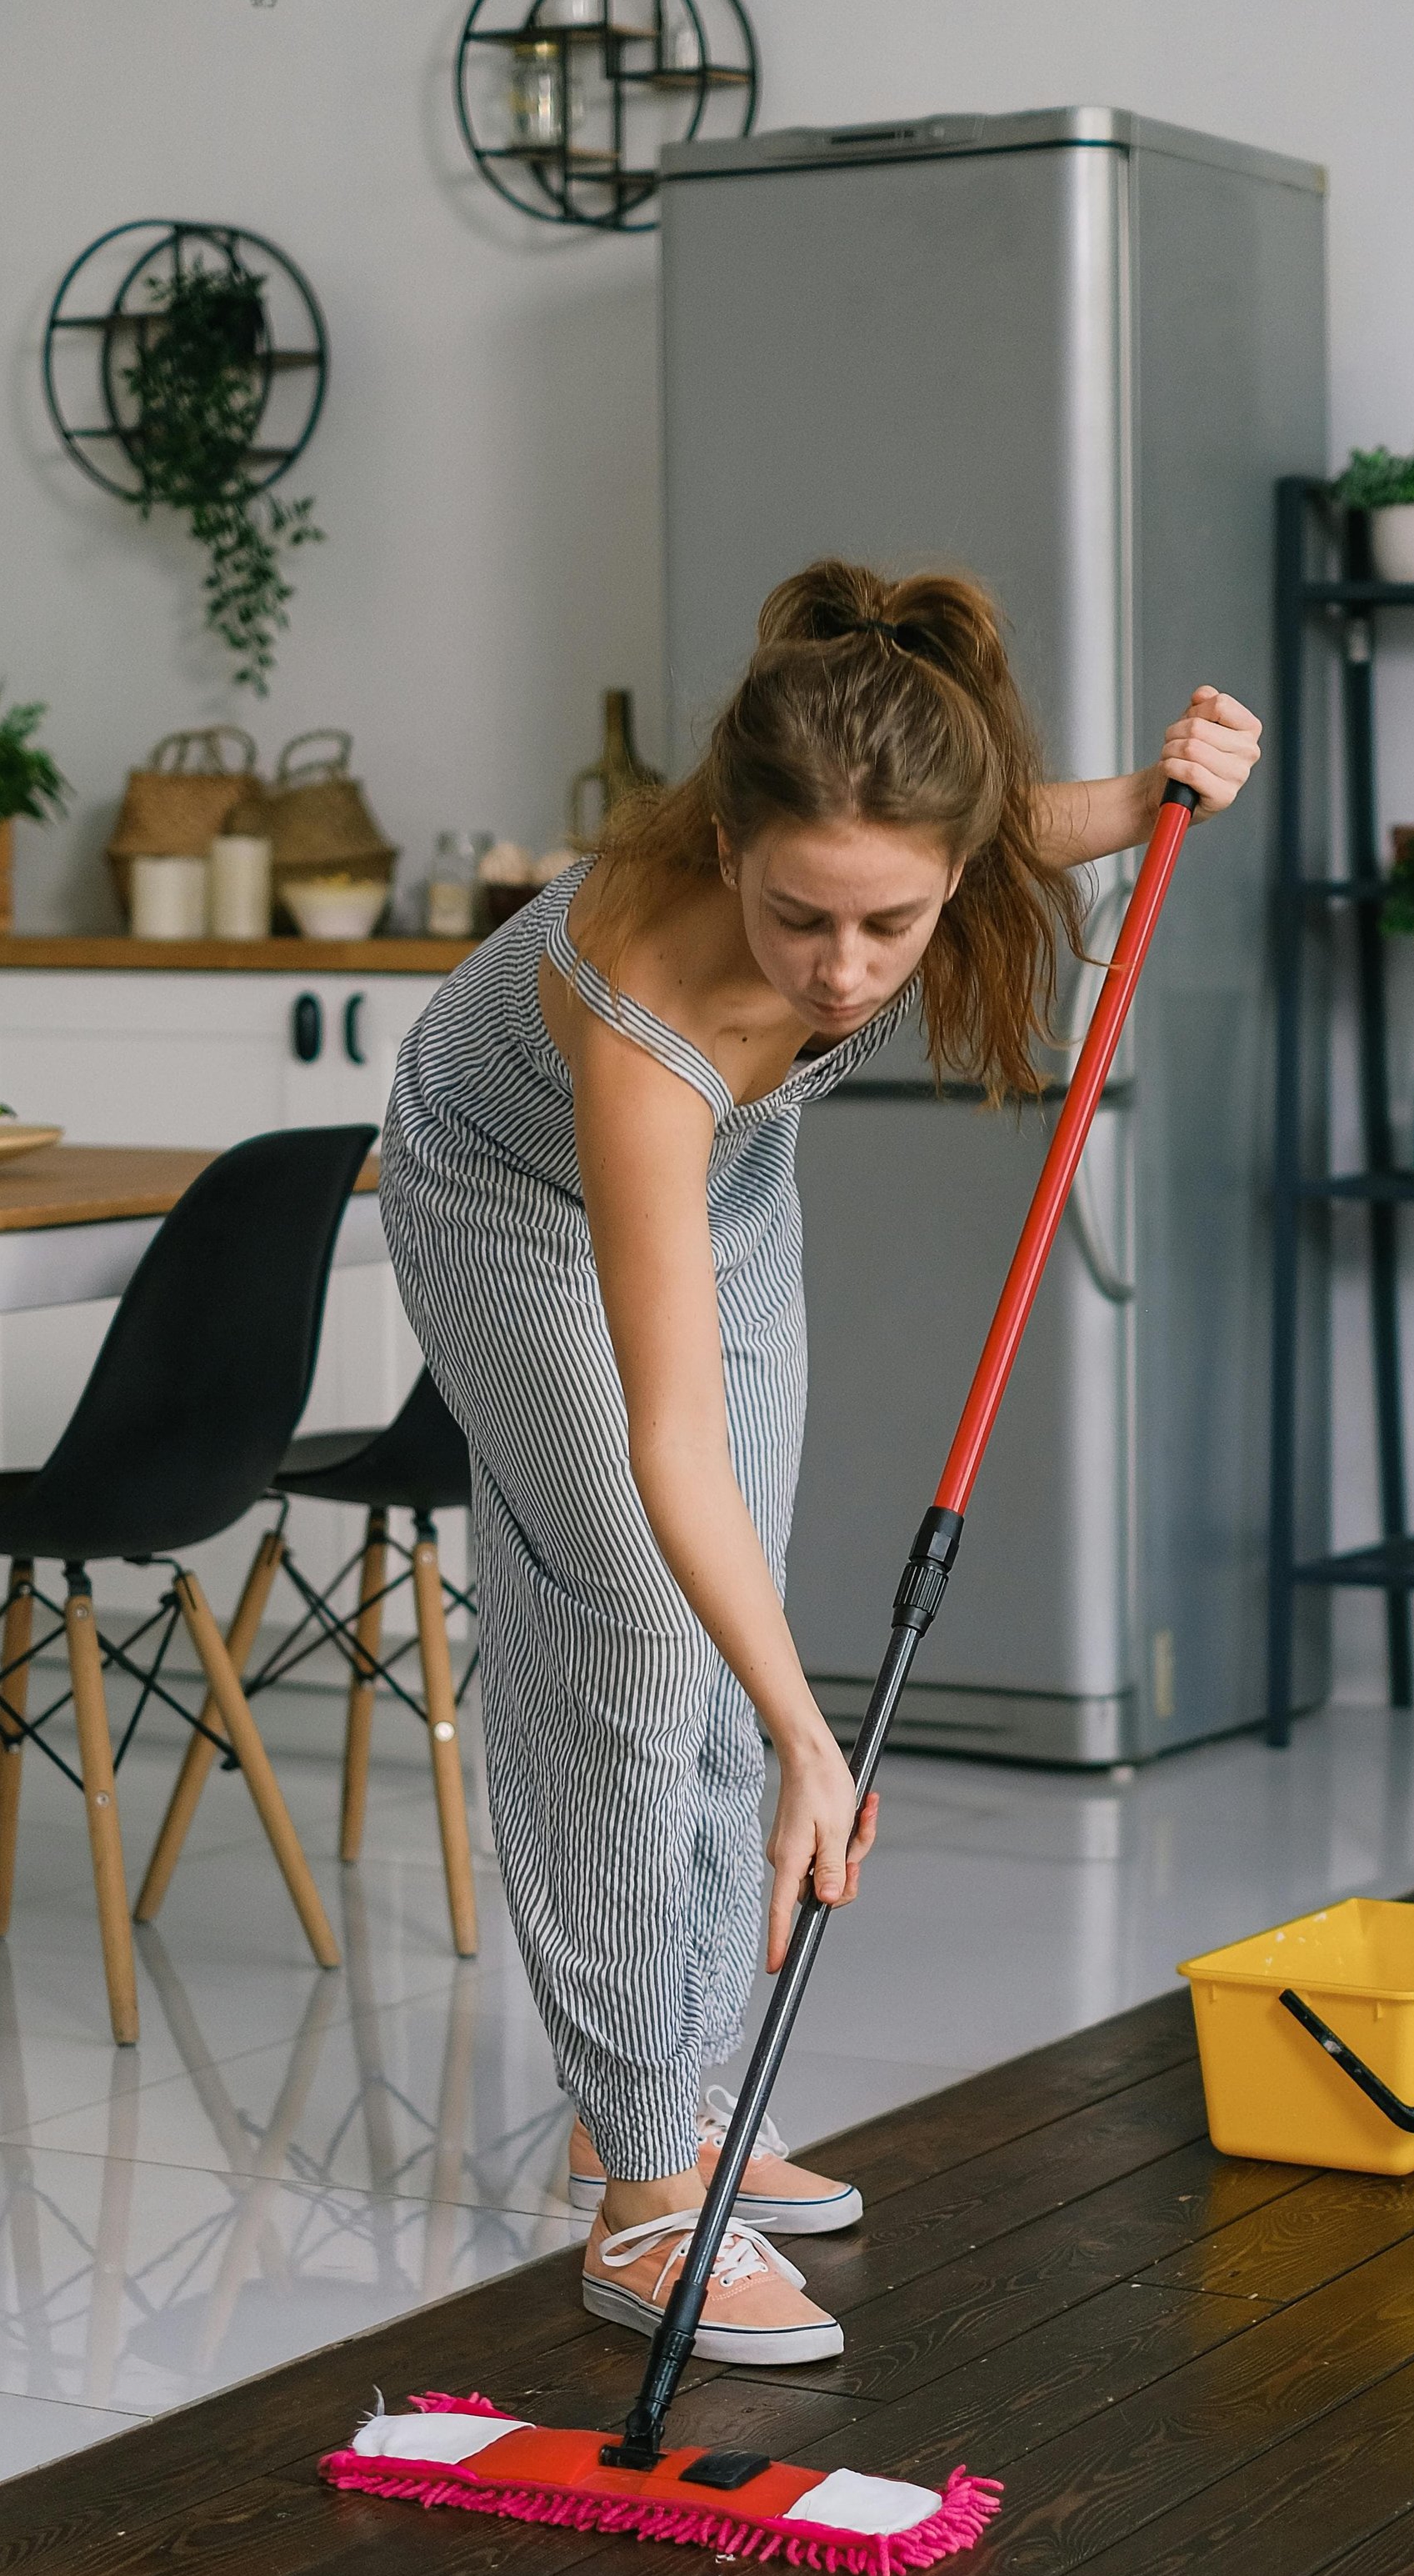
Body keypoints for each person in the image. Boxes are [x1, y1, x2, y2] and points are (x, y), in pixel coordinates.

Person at [381, 558, 1260, 2364]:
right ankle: (640, 2202)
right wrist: (809, 1735)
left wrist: (1175, 779)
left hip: (732, 1181)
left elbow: (1028, 822)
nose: (846, 973)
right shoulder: (645, 1017)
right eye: (802, 923)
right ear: (723, 848)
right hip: (514, 1192)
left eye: (894, 926)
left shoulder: (901, 846)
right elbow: (669, 1436)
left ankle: (682, 2096)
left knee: (729, 1629)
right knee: (638, 1627)